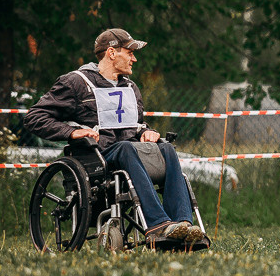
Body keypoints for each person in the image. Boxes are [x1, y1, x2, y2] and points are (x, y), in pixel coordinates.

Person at [24, 28, 207, 249]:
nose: (134, 59)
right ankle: (158, 225)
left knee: (166, 148)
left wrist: (145, 132)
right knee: (125, 148)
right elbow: (34, 118)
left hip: (130, 153)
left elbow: (135, 124)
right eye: (129, 53)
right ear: (111, 53)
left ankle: (183, 226)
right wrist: (71, 132)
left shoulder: (130, 87)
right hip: (97, 156)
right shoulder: (76, 83)